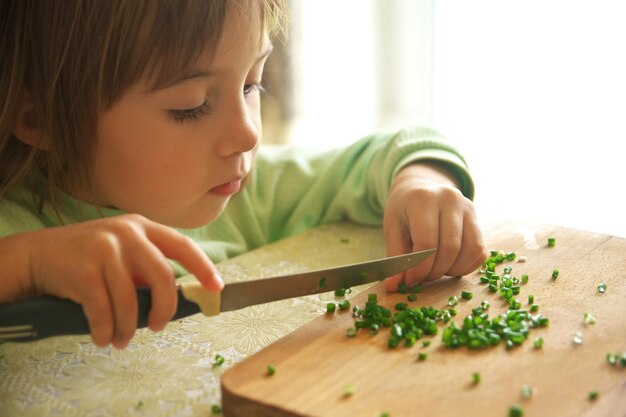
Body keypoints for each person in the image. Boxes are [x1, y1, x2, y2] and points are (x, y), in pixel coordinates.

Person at [0, 0, 487, 349]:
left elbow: (387, 154)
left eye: (253, 83)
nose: (249, 133)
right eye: (191, 107)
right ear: (41, 117)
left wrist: (422, 182)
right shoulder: (21, 231)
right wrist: (27, 266)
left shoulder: (247, 191)